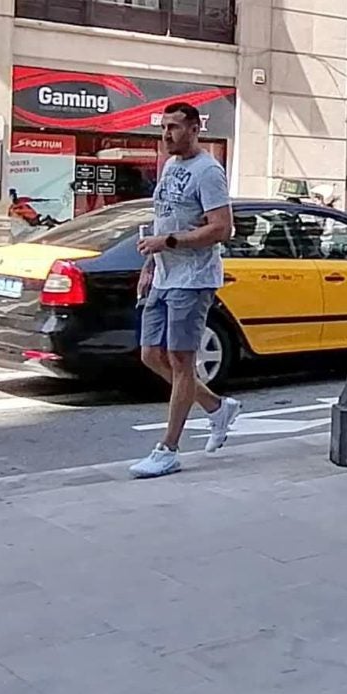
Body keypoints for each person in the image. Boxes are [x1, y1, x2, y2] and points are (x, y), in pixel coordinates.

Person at [131, 103, 239, 478]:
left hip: (193, 279)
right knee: (149, 354)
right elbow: (164, 216)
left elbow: (221, 228)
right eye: (164, 127)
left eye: (174, 127)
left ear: (195, 128)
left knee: (181, 362)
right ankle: (216, 407)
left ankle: (169, 449)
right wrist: (151, 263)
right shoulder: (172, 166)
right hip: (164, 275)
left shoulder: (208, 171)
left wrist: (170, 243)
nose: (166, 134)